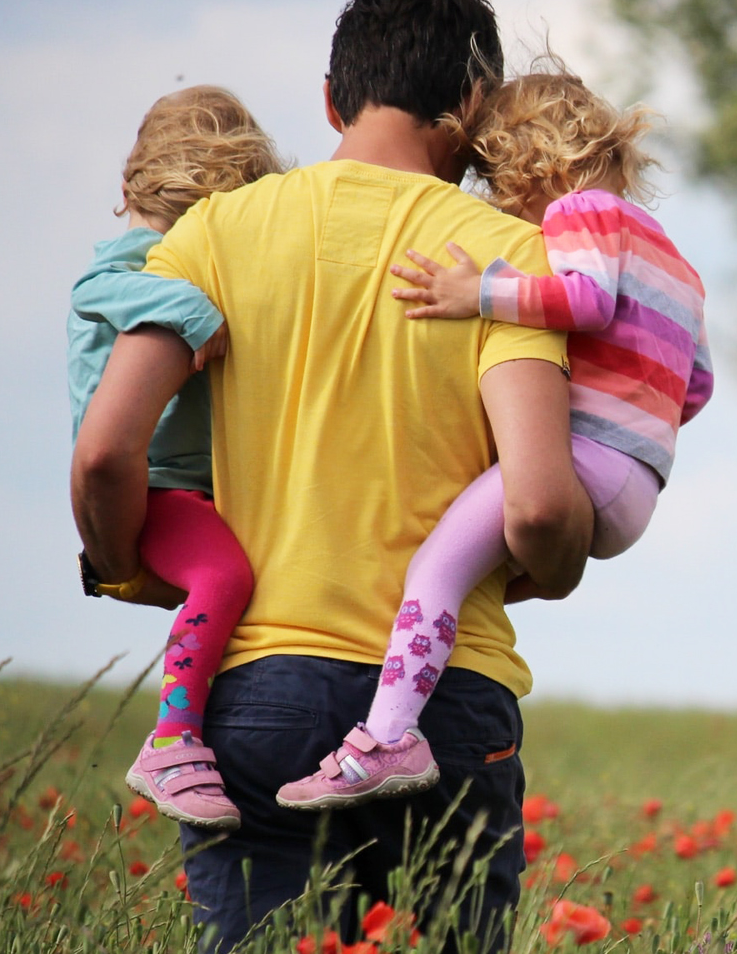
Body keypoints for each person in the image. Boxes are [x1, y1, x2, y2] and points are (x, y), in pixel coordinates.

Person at [71, 0, 592, 950]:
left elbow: (105, 454)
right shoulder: (505, 259)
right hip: (445, 703)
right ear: (474, 105)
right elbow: (539, 509)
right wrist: (549, 573)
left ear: (329, 98)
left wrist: (126, 562)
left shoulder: (215, 234)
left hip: (259, 692)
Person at [277, 68, 713, 809]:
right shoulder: (676, 260)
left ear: (530, 163)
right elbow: (696, 386)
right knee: (475, 572)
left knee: (434, 571)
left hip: (586, 461)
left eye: (497, 181)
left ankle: (388, 737)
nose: (503, 205)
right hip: (640, 482)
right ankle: (411, 702)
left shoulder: (581, 213)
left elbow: (585, 299)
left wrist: (475, 292)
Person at [68, 85, 286, 830]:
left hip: (193, 487)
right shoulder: (133, 262)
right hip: (157, 486)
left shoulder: (170, 251)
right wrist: (192, 309)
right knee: (225, 575)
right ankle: (173, 738)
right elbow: (97, 288)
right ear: (131, 195)